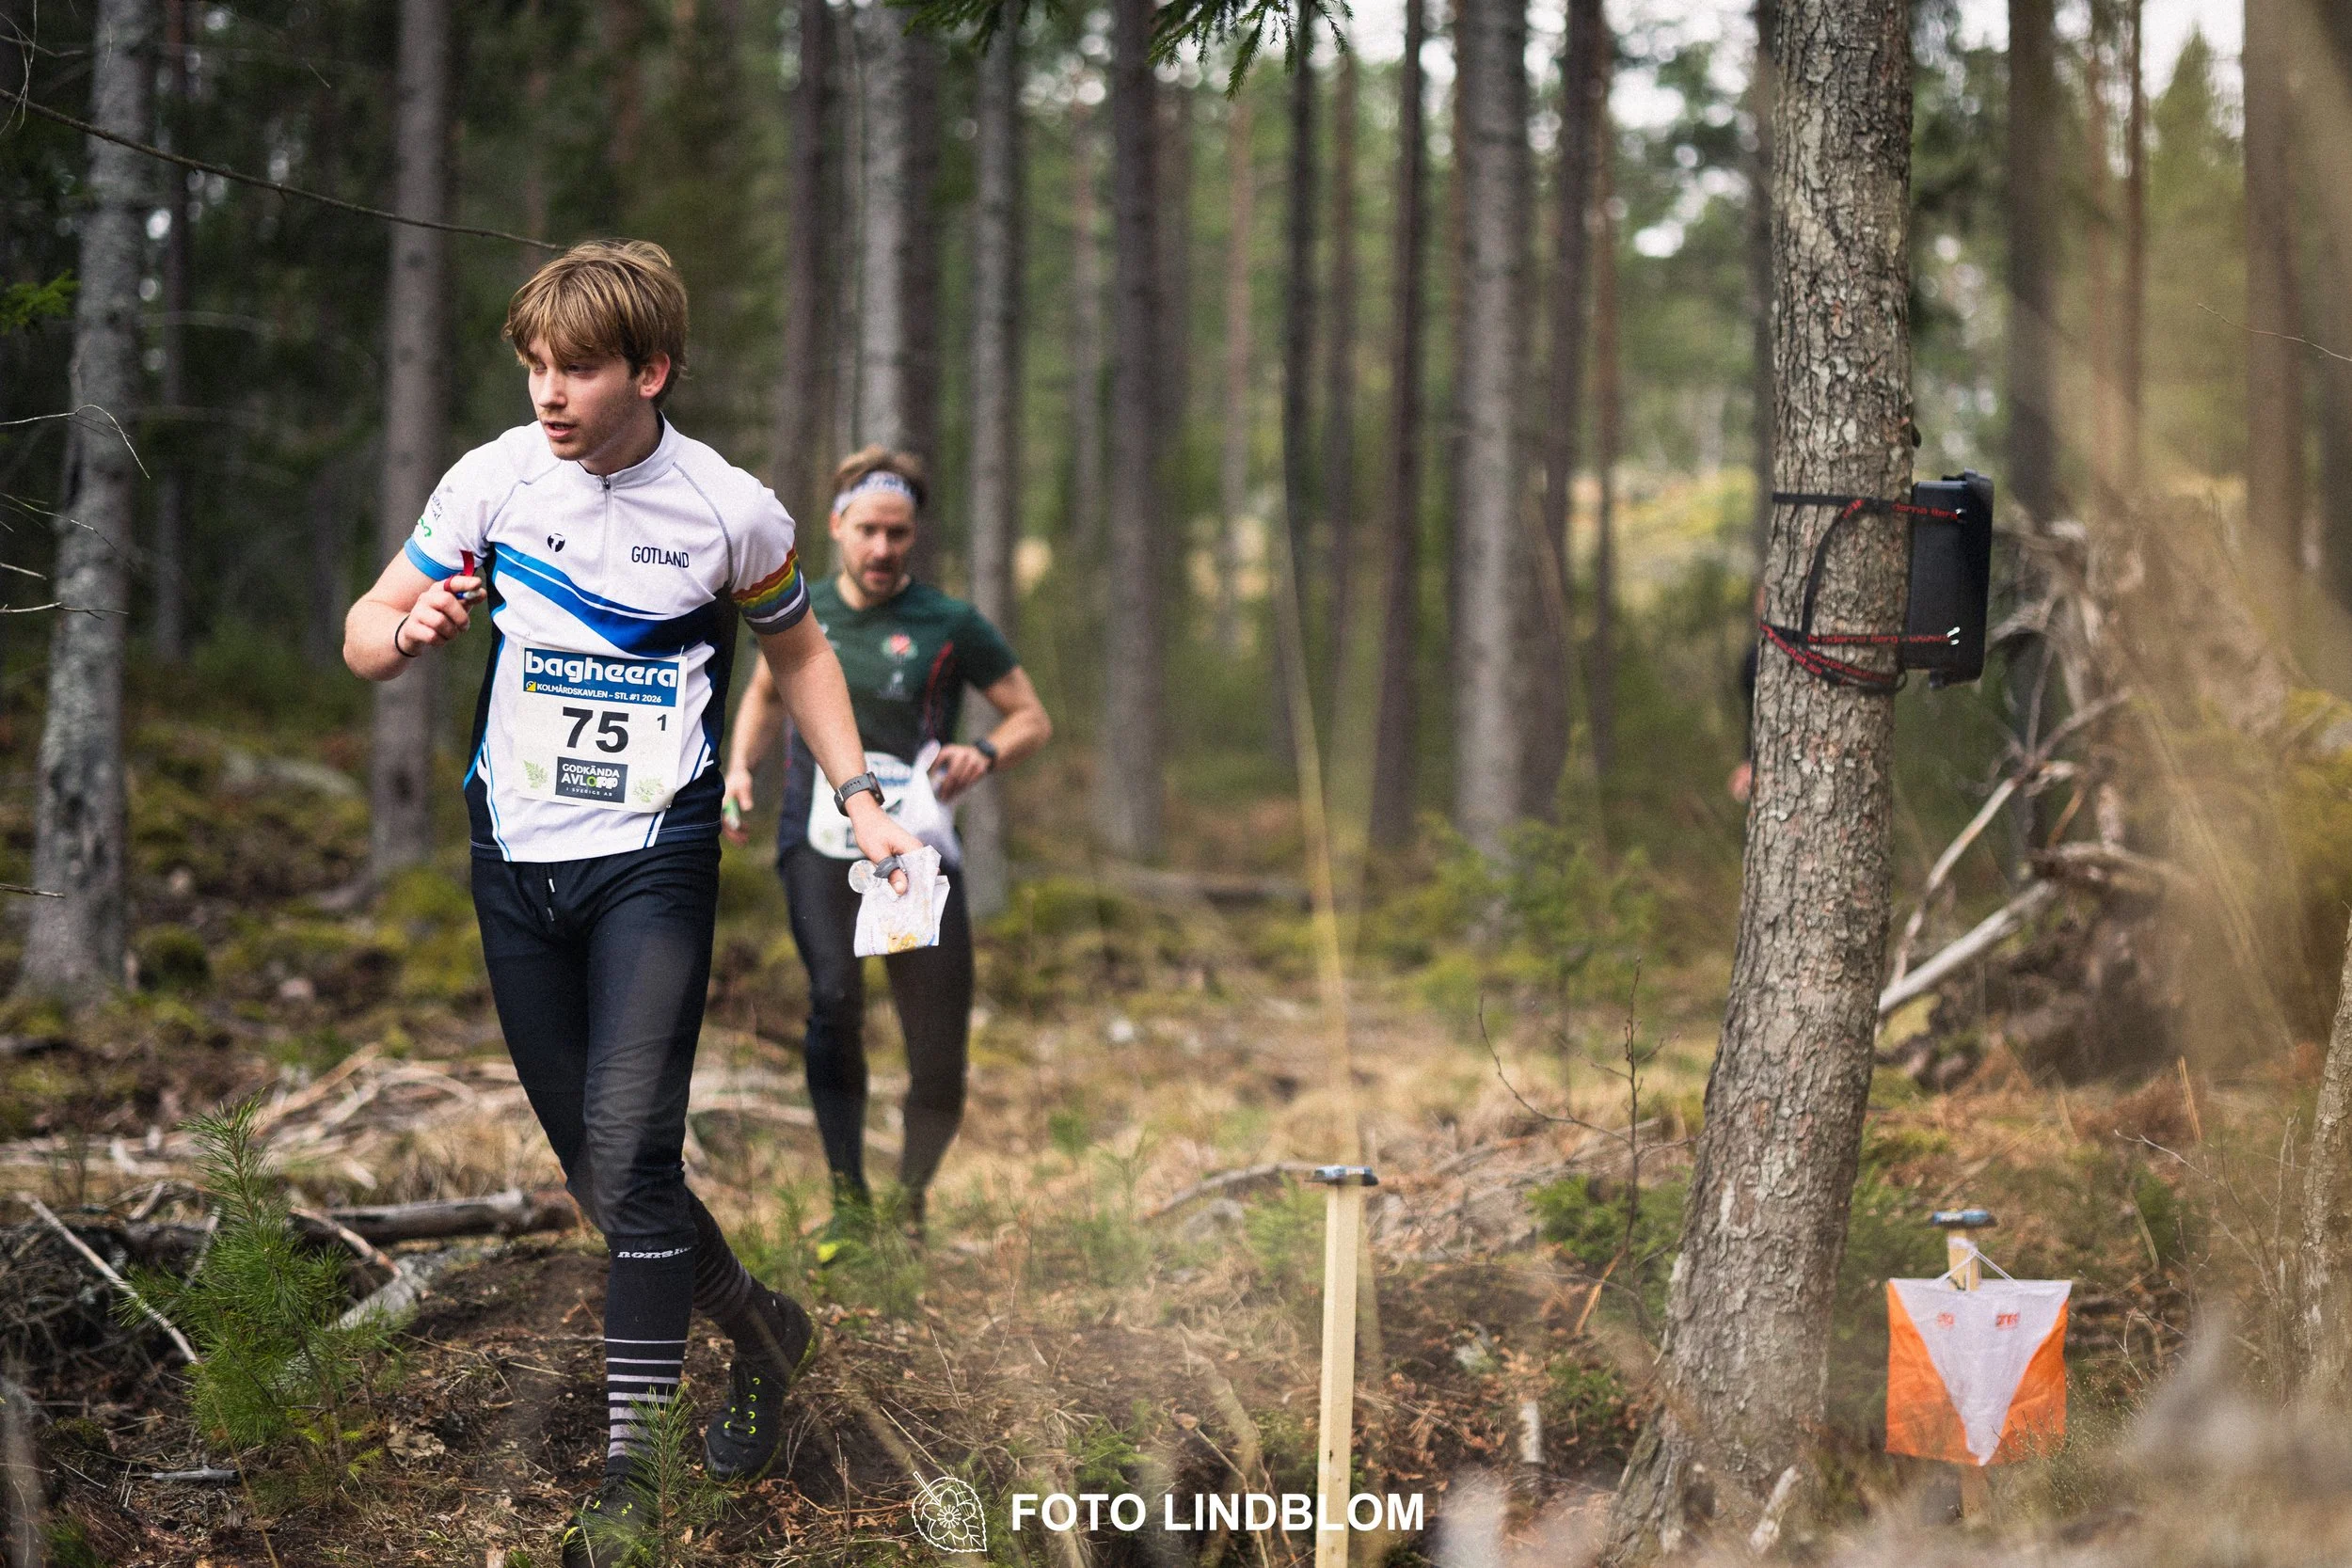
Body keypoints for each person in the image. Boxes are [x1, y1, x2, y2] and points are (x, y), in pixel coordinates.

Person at [342, 241, 923, 1568]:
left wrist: (863, 793)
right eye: (535, 365)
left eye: (579, 368)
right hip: (513, 855)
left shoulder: (730, 510)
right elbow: (365, 627)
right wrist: (411, 629)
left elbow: (800, 648)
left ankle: (626, 1481)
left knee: (631, 1139)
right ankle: (768, 1330)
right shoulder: (491, 479)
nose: (550, 391)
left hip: (655, 857)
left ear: (648, 370)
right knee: (603, 1173)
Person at [723, 446, 1050, 1261]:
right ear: (836, 527)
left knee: (935, 1047)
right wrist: (739, 771)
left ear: (915, 537)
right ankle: (847, 1204)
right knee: (834, 1000)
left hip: (913, 853)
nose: (881, 549)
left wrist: (986, 751)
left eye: (898, 533)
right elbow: (766, 692)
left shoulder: (949, 623)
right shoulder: (802, 610)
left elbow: (1030, 716)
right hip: (819, 840)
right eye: (867, 529)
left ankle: (907, 1205)